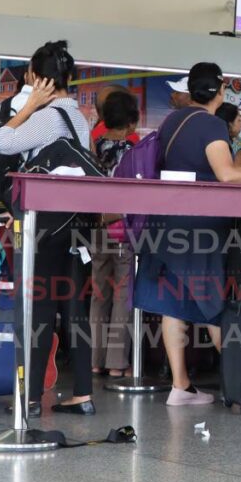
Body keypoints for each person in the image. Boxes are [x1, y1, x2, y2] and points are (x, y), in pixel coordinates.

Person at [134, 62, 241, 406]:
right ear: (221, 91)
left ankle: (180, 386)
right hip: (199, 226)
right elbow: (226, 174)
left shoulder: (173, 120)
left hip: (167, 220)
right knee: (214, 301)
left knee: (174, 302)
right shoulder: (212, 124)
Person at [0, 40, 96, 416]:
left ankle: (30, 397)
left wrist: (30, 105)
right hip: (76, 226)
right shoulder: (79, 118)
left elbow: (1, 142)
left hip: (46, 226)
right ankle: (83, 393)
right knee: (74, 309)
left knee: (38, 308)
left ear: (37, 78)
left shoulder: (48, 117)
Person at [90, 90, 140, 377]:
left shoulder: (92, 147)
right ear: (131, 123)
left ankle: (94, 360)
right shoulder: (133, 152)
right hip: (122, 228)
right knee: (122, 294)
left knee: (99, 294)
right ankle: (116, 364)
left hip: (96, 226)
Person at [214, 102, 241, 167]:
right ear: (230, 124)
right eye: (239, 120)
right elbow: (237, 172)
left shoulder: (212, 139)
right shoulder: (231, 147)